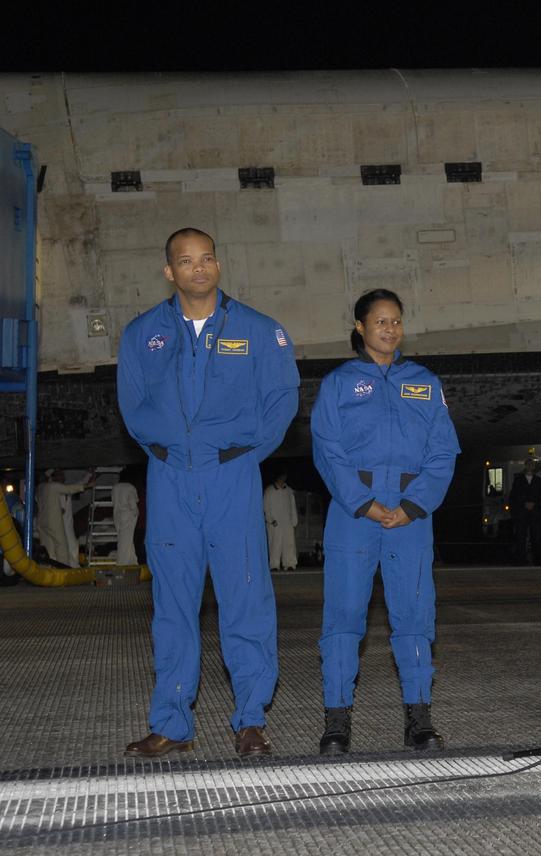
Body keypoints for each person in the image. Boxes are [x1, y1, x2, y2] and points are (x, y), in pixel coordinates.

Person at [117, 227, 299, 758]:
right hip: (170, 477)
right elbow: (132, 406)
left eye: (208, 258)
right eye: (186, 261)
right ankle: (172, 723)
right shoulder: (142, 334)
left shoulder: (259, 330)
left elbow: (282, 400)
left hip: (231, 477)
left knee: (245, 599)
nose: (199, 268)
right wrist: (167, 450)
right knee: (172, 605)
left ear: (218, 265)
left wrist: (243, 453)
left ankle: (250, 719)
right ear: (169, 272)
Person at [311, 289, 460, 755]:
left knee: (415, 617)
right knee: (343, 618)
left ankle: (419, 717)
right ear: (360, 327)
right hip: (353, 511)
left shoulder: (425, 382)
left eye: (396, 321)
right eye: (380, 321)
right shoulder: (338, 383)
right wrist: (362, 502)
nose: (390, 329)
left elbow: (444, 450)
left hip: (411, 514)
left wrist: (414, 505)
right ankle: (337, 720)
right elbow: (327, 449)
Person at [35, 470, 93, 567]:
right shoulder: (53, 487)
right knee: (63, 547)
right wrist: (88, 486)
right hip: (56, 522)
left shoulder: (40, 488)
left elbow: (75, 485)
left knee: (49, 547)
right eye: (60, 474)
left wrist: (89, 475)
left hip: (43, 522)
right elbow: (70, 489)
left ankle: (50, 569)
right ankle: (64, 569)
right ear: (53, 478)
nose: (63, 476)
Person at [508, 459, 541, 564]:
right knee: (521, 536)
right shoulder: (518, 480)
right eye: (528, 464)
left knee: (536, 536)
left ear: (534, 466)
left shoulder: (538, 480)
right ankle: (521, 559)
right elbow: (514, 495)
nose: (530, 466)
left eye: (532, 465)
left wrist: (533, 503)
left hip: (535, 512)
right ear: (525, 466)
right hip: (521, 512)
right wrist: (524, 503)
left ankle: (537, 560)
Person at [263, 473, 299, 571]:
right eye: (282, 476)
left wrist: (294, 521)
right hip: (275, 523)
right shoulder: (269, 491)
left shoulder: (288, 490)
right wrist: (270, 519)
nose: (283, 478)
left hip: (287, 522)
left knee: (289, 544)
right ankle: (274, 565)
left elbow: (292, 506)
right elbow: (266, 507)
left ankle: (290, 563)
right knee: (275, 544)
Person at [112, 470, 140, 566]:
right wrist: (136, 512)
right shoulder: (130, 487)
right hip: (127, 515)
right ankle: (122, 562)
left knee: (125, 539)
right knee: (125, 540)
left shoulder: (115, 487)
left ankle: (132, 560)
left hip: (117, 515)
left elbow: (113, 501)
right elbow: (132, 503)